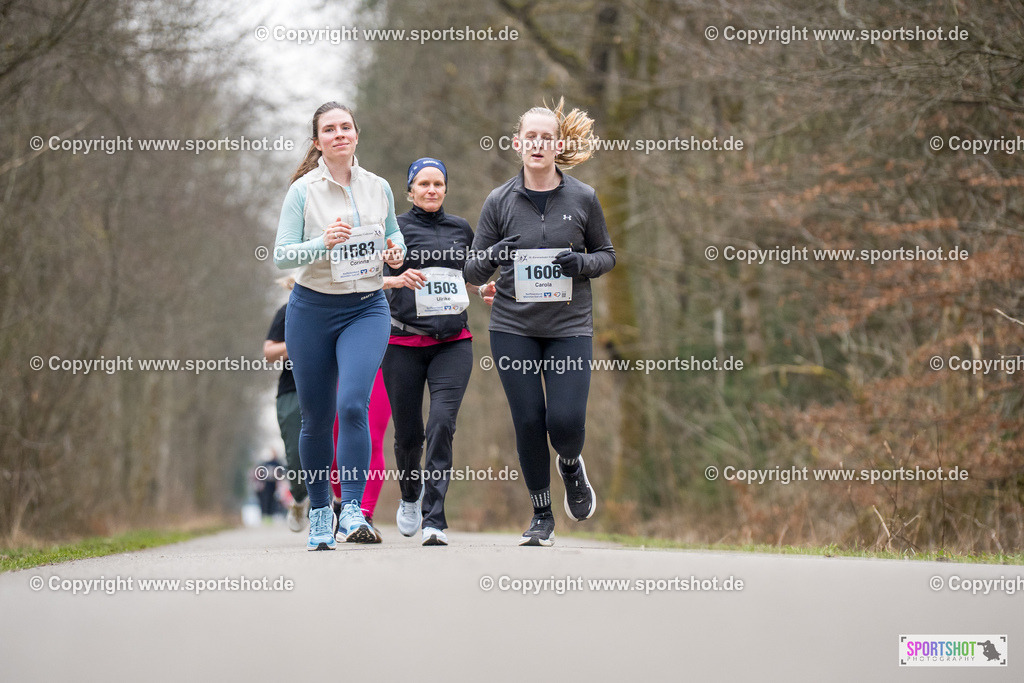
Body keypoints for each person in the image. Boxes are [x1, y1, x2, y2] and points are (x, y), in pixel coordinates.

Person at [464, 98, 615, 546]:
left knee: (565, 422)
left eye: (545, 137)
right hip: (513, 327)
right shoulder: (499, 201)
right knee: (529, 421)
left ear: (557, 144)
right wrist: (496, 254)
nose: (537, 143)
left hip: (569, 327)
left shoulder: (583, 198)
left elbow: (607, 256)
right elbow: (472, 270)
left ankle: (571, 465)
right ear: (517, 144)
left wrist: (580, 264)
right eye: (530, 136)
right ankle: (541, 516)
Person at [274, 101, 405, 551]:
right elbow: (281, 255)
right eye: (328, 129)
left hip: (366, 308)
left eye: (345, 126)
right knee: (317, 417)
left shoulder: (379, 188)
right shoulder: (303, 192)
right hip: (311, 311)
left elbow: (394, 235)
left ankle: (351, 510)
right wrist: (321, 242)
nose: (338, 134)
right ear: (317, 142)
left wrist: (395, 252)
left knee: (353, 405)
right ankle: (318, 512)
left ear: (356, 134)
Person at [382, 157, 494, 546]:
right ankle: (410, 497)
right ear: (409, 189)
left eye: (438, 184)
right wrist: (394, 278)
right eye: (423, 184)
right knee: (409, 434)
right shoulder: (393, 228)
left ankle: (435, 518)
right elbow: (367, 279)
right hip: (402, 343)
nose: (432, 190)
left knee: (442, 425)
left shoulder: (460, 228)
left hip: (452, 343)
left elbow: (465, 277)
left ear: (446, 189)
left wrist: (484, 290)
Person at [264, 277, 309, 532]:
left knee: (331, 448)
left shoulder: (337, 309)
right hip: (291, 390)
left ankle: (330, 508)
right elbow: (269, 352)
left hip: (330, 385)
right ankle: (300, 499)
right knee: (295, 454)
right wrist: (299, 347)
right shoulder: (287, 311)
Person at [329, 368, 391, 542]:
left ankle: (364, 515)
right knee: (334, 440)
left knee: (373, 439)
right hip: (336, 363)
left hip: (381, 360)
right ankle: (341, 504)